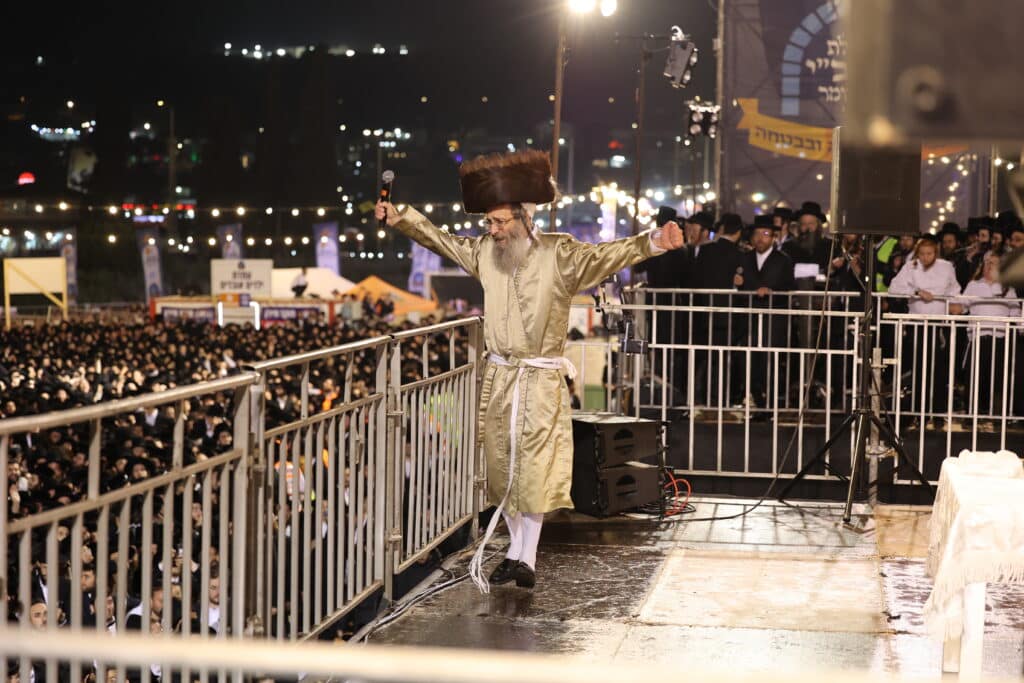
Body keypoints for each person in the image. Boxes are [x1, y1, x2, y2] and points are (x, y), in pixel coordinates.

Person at [375, 149, 684, 591]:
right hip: (499, 379)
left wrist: (652, 242)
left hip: (538, 380)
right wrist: (401, 216)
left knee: (534, 469)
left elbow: (606, 255)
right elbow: (439, 240)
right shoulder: (483, 251)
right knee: (504, 472)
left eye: (501, 222)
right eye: (489, 223)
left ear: (524, 217)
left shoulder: (559, 253)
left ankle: (527, 556)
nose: (494, 230)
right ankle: (517, 554)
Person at [888, 234, 963, 418]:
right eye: (922, 254)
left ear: (935, 253)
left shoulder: (946, 267)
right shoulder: (910, 266)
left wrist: (956, 304)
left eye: (929, 254)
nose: (925, 257)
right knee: (918, 364)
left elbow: (955, 290)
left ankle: (936, 408)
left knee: (938, 364)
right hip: (917, 321)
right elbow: (893, 288)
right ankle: (918, 407)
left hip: (938, 322)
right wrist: (916, 292)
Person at [735, 221, 795, 411]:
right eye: (757, 234)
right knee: (749, 359)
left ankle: (773, 402)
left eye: (766, 233)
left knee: (771, 360)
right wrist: (739, 284)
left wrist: (771, 290)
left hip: (773, 316)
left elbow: (789, 286)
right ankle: (754, 399)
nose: (760, 238)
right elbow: (740, 285)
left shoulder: (783, 259)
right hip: (750, 317)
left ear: (773, 237)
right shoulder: (745, 258)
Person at [958, 252, 1019, 422]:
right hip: (978, 337)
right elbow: (960, 307)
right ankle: (971, 414)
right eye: (987, 262)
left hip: (1000, 339)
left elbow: (1015, 313)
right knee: (975, 376)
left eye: (994, 263)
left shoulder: (1008, 288)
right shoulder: (973, 285)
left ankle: (999, 415)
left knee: (999, 378)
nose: (989, 266)